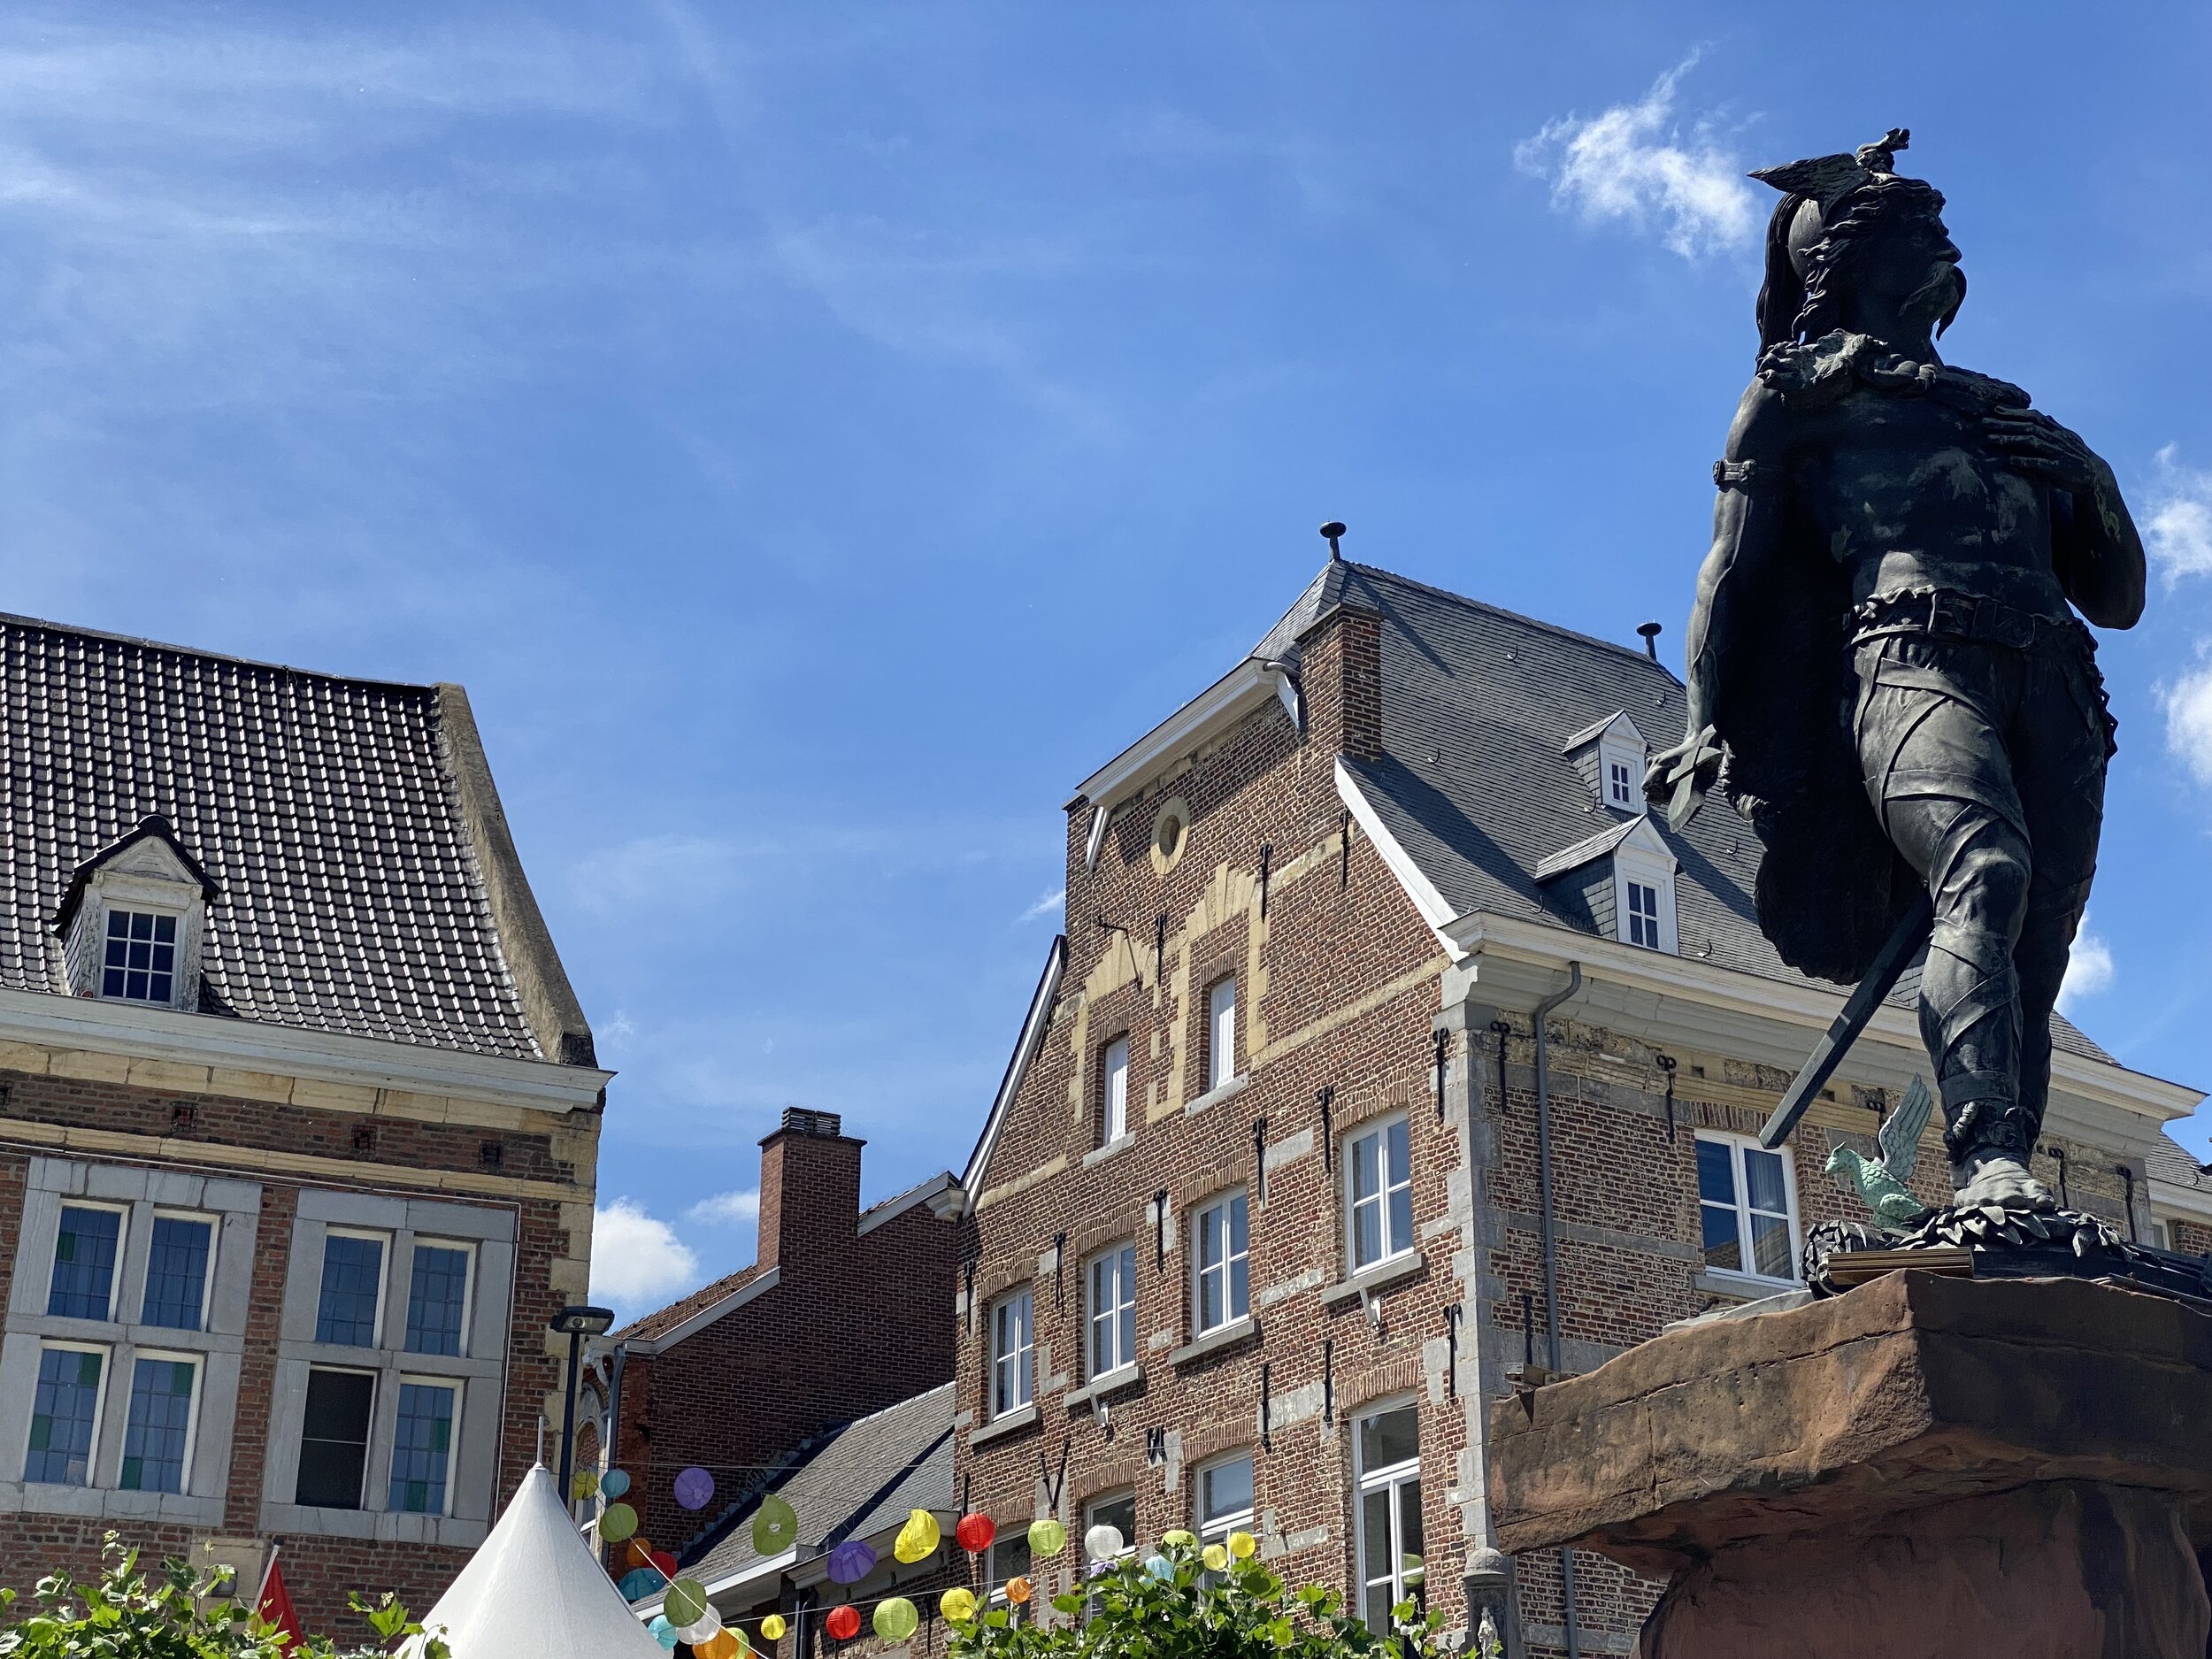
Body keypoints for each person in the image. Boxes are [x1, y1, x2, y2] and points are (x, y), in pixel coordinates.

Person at [1648, 131, 2145, 1210]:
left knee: (2040, 944)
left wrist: (2093, 481)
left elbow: (2118, 601)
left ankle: (2003, 1169)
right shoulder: (1800, 399)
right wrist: (1702, 717)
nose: (1952, 255)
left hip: (2058, 680)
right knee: (1987, 873)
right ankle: (1986, 1153)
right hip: (1911, 659)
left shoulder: (2001, 410)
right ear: (1863, 262)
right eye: (1930, 235)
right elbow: (1727, 573)